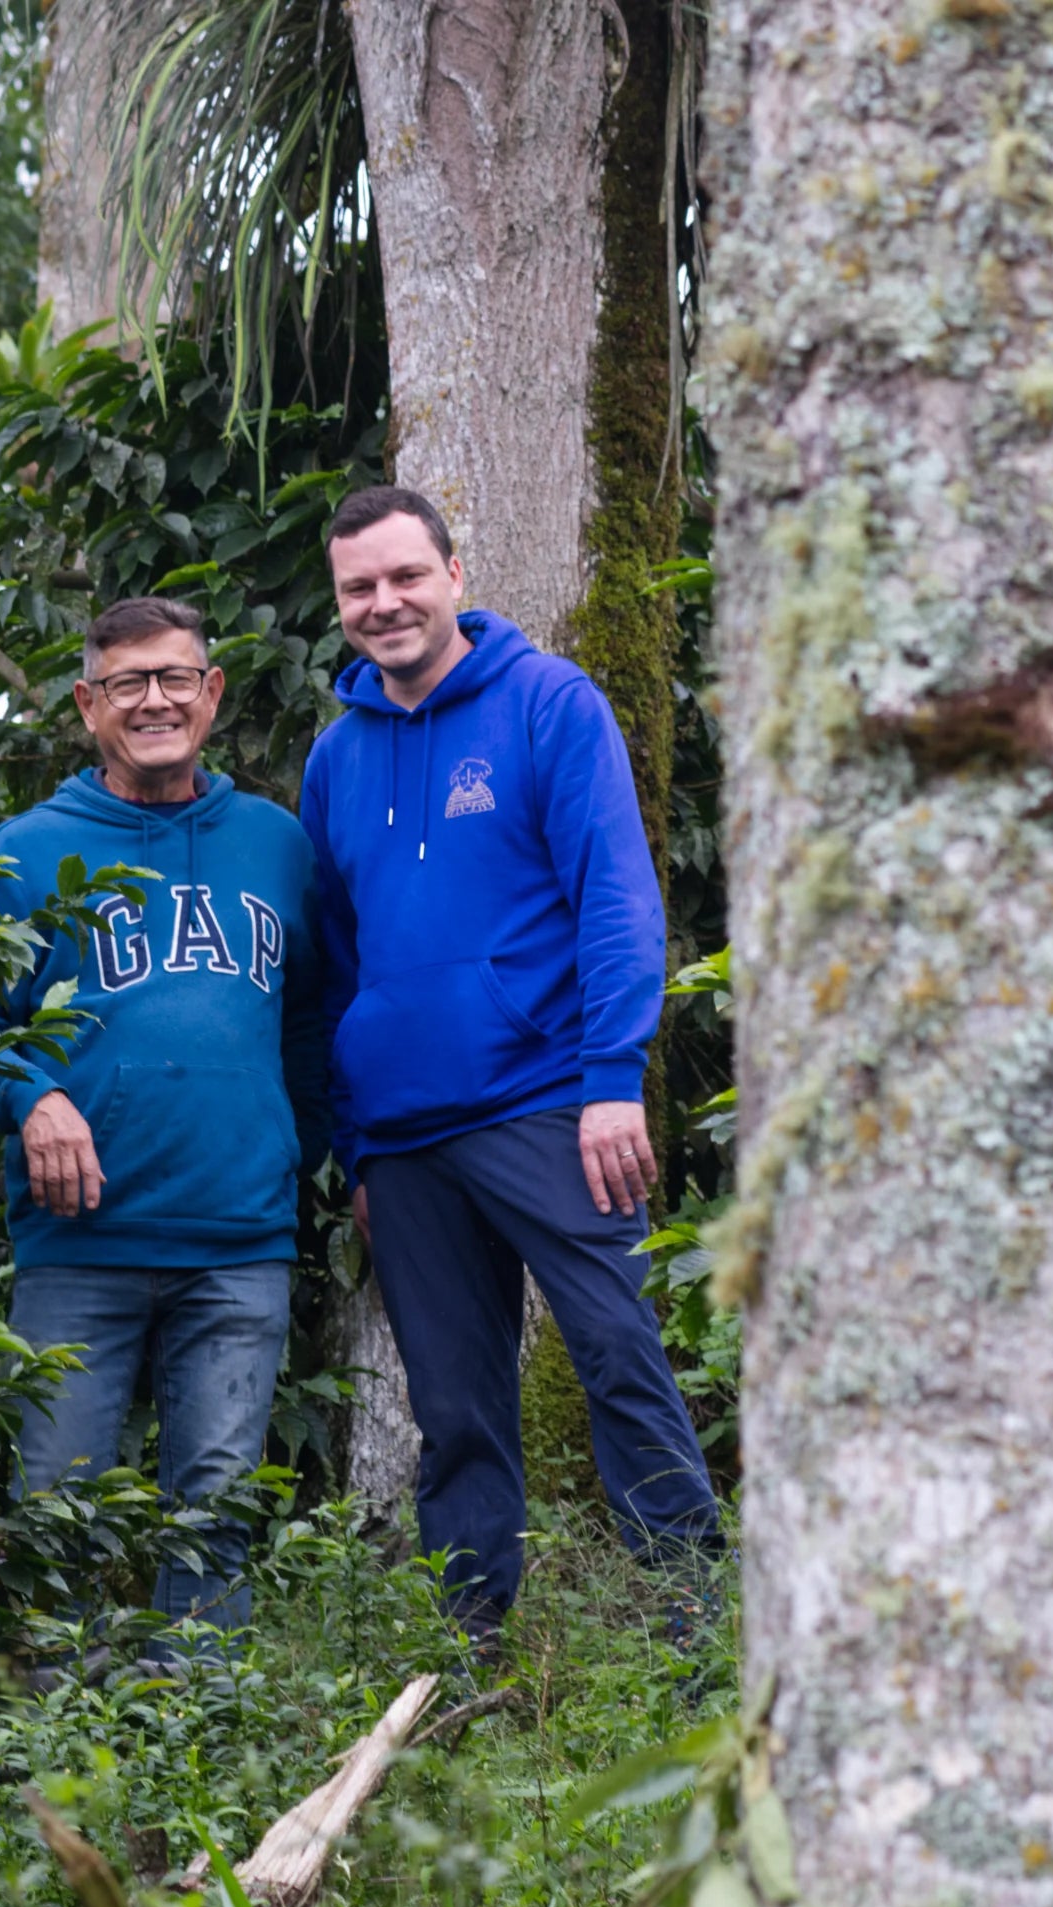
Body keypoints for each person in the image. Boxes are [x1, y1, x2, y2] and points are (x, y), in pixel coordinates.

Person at [300, 484, 723, 1639]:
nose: (384, 603)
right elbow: (338, 965)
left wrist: (608, 1082)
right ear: (339, 602)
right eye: (359, 587)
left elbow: (617, 902)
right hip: (404, 1141)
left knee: (619, 1356)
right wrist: (360, 1149)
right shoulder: (334, 759)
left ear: (452, 572)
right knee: (454, 1408)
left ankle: (692, 1629)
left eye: (404, 576)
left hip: (549, 1105)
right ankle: (468, 1651)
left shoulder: (547, 704)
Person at [0, 594, 330, 1660]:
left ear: (210, 693)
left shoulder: (277, 844)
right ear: (87, 703)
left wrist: (294, 1150)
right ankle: (51, 1769)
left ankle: (192, 1768)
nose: (153, 700)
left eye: (174, 678)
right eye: (127, 682)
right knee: (53, 1516)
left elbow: (310, 1024)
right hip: (80, 1248)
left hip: (240, 1246)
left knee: (214, 1517)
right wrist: (31, 1095)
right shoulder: (22, 853)